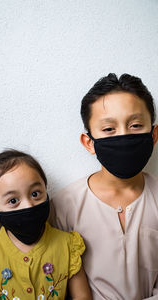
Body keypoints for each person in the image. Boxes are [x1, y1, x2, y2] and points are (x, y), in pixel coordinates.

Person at [51, 73, 158, 300]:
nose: (123, 136)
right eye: (109, 129)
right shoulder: (63, 207)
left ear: (154, 134)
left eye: (136, 125)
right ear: (89, 142)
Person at [0, 149, 92, 300]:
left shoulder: (68, 246)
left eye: (35, 194)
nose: (29, 206)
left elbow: (82, 296)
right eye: (13, 201)